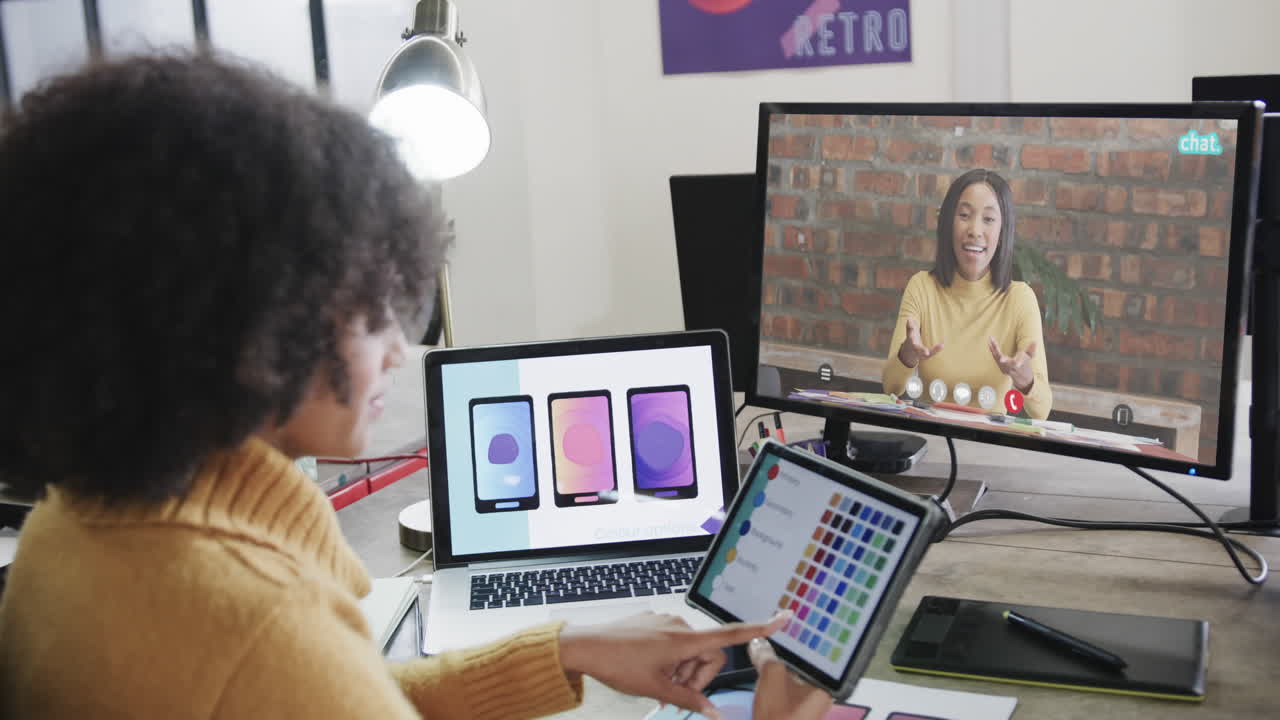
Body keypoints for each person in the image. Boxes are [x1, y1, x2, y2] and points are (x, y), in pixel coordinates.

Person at [0, 55, 833, 720]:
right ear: (242, 317)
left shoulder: (69, 525)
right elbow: (300, 680)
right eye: (369, 308)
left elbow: (346, 696)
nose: (402, 348)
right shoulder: (254, 628)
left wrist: (568, 649)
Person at [882, 169, 1052, 420]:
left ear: (1003, 230)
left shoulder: (1020, 299)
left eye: (989, 219)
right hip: (932, 436)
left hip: (990, 444)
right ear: (948, 223)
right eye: (964, 215)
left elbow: (1042, 410)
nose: (975, 230)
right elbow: (890, 387)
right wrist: (907, 354)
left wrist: (1025, 380)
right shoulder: (922, 287)